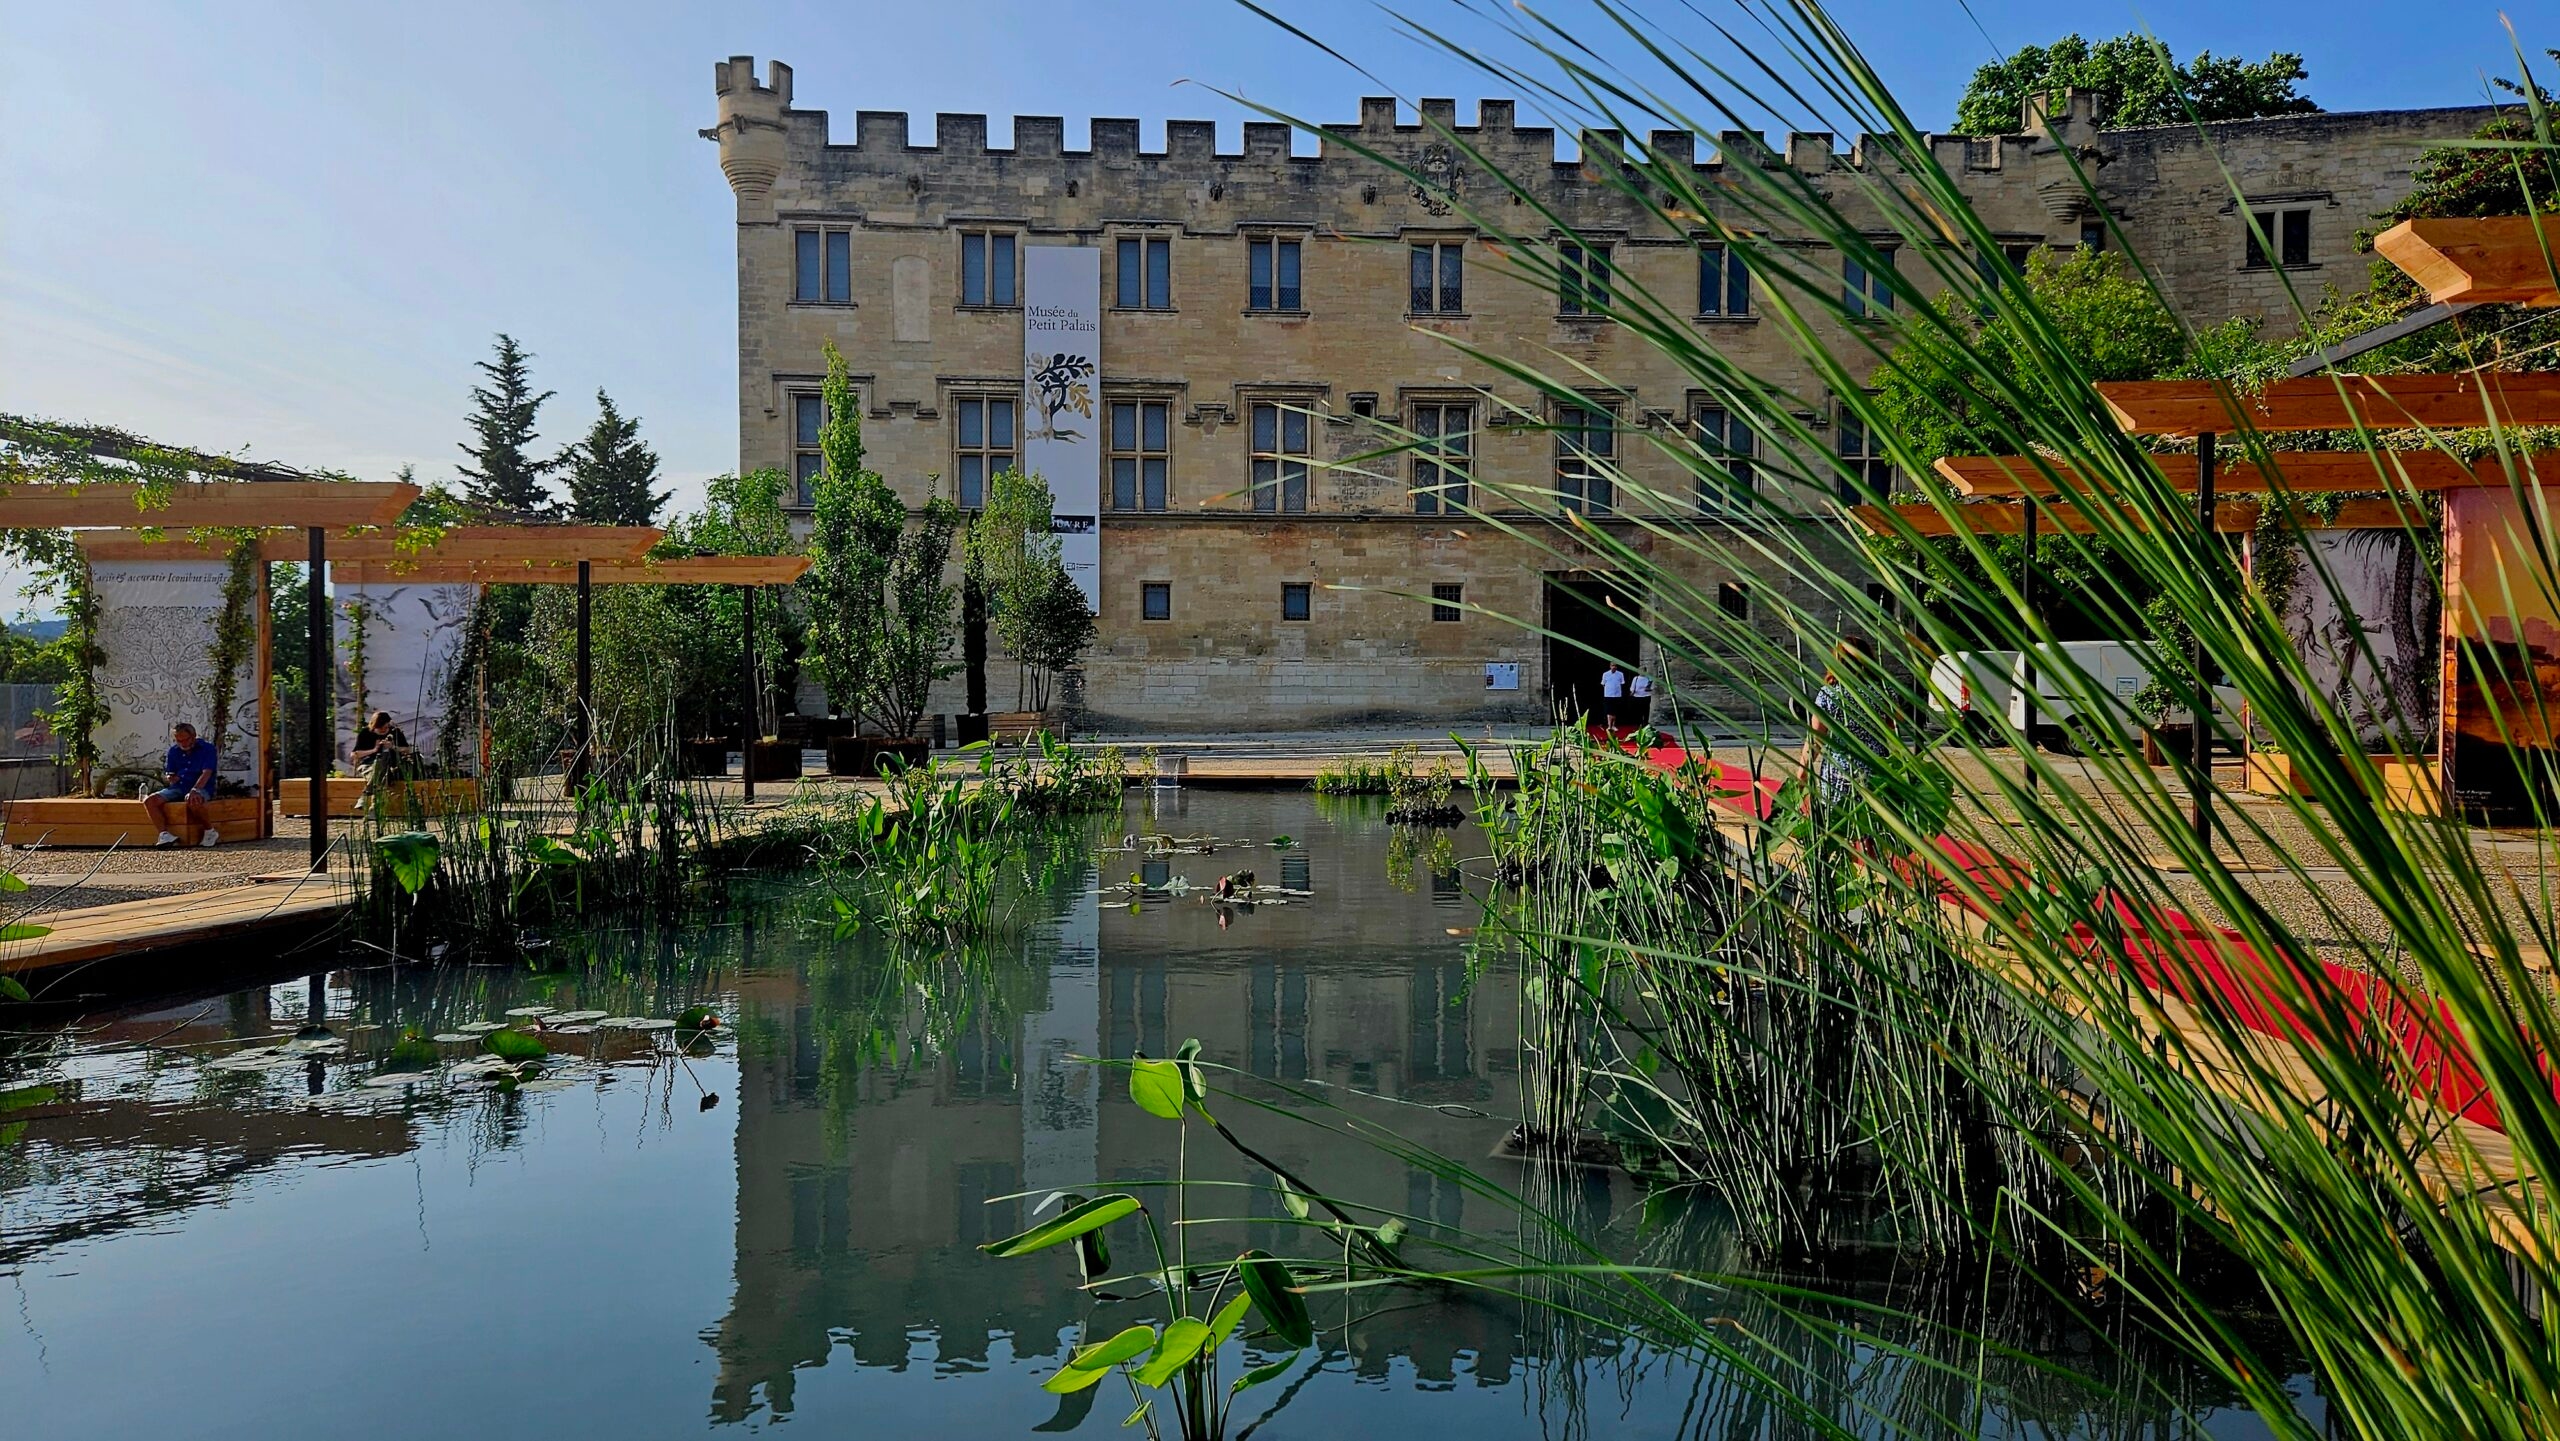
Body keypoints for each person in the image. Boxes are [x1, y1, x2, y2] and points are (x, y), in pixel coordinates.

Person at [1800, 637, 1883, 820]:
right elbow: (1892, 729)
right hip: (1877, 768)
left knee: (1839, 823)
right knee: (1875, 823)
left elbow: (1816, 738)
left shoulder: (1830, 693)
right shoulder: (1883, 692)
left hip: (1839, 770)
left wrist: (1802, 772)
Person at [143, 721, 220, 848]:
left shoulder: (207, 749)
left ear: (193, 736)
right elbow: (170, 772)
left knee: (193, 798)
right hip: (179, 786)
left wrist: (195, 790)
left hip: (201, 786)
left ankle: (209, 831)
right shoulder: (174, 751)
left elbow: (207, 772)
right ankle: (164, 834)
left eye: (185, 740)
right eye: (179, 741)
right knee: (150, 801)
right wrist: (171, 777)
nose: (183, 744)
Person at [350, 711, 416, 785]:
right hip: (370, 765)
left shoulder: (395, 732)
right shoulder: (365, 733)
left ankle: (370, 790)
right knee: (378, 771)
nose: (383, 730)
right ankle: (373, 788)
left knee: (388, 770)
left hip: (392, 765)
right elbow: (354, 755)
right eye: (379, 728)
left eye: (385, 727)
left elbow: (407, 749)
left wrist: (393, 747)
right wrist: (374, 750)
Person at [1599, 662, 1627, 735]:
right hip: (1608, 695)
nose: (1614, 667)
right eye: (1612, 665)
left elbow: (1622, 683)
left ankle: (1613, 725)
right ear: (1610, 666)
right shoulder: (1605, 674)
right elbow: (1603, 683)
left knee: (1615, 711)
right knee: (1609, 711)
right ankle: (1609, 726)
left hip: (1617, 695)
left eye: (1615, 666)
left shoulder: (1620, 674)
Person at [1629, 669, 1655, 735]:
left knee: (1646, 711)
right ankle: (1639, 726)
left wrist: (1648, 688)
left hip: (1646, 696)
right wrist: (1632, 691)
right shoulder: (1636, 678)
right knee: (1638, 711)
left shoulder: (1649, 678)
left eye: (1643, 671)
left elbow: (1652, 687)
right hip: (1637, 696)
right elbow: (1632, 688)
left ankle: (1645, 725)